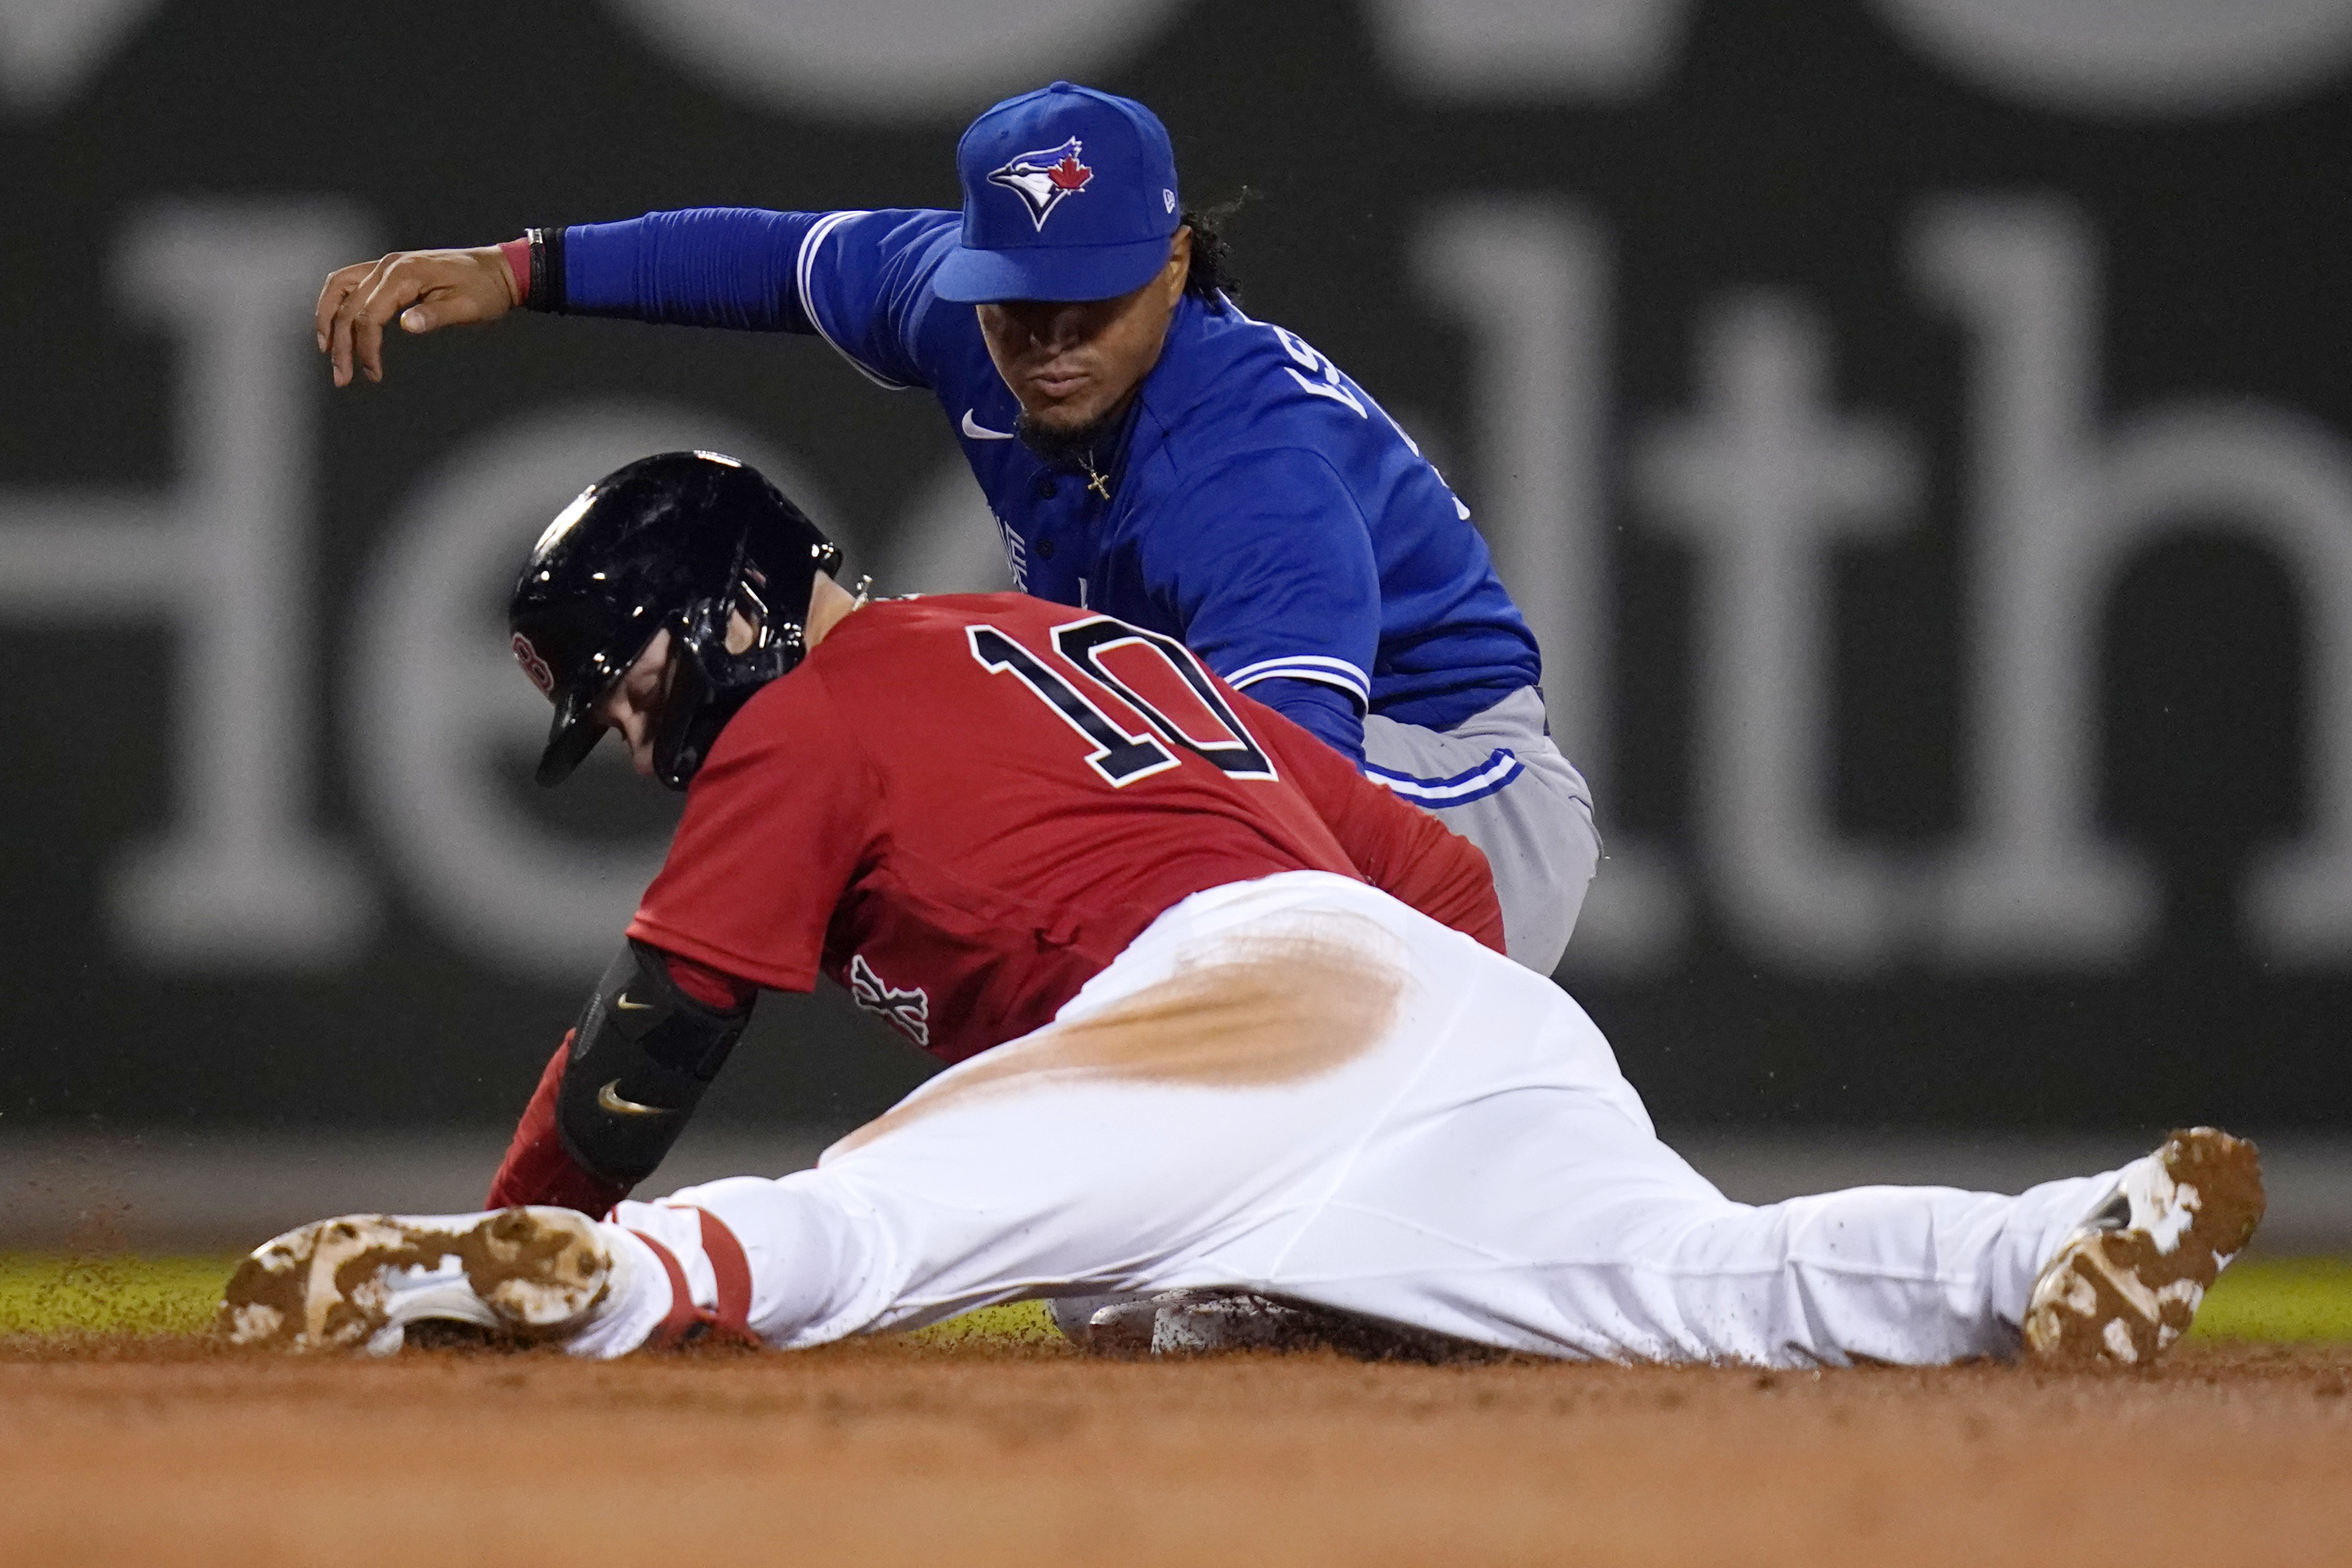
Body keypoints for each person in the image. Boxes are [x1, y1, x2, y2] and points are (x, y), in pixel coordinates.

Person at [222, 451, 2262, 1371]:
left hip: (1227, 1004)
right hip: (1427, 998)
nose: (643, 732)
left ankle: (540, 1288)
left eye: (642, 681)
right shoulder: (1069, 641)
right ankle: (2048, 1242)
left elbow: (656, 1031)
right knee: (1702, 1279)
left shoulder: (816, 714)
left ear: (732, 609)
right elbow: (1439, 879)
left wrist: (550, 1203)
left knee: (889, 1209)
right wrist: (1382, 1137)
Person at [312, 81, 1598, 975]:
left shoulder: (1241, 471)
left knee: (1127, 850)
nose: (1044, 340)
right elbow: (770, 261)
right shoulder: (963, 312)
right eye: (1014, 301)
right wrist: (522, 267)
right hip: (1235, 763)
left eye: (1084, 300)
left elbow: (1290, 809)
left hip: (1448, 793)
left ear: (1172, 268)